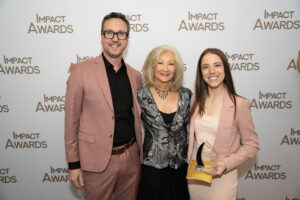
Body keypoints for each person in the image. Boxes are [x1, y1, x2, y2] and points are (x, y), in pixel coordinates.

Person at [64, 12, 143, 200]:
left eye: (121, 34)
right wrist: (73, 165)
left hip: (131, 159)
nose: (115, 39)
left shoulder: (135, 76)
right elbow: (71, 122)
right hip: (97, 162)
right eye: (109, 33)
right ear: (101, 37)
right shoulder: (80, 71)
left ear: (127, 39)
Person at [187, 48, 259, 200]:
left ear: (225, 69)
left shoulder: (239, 104)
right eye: (205, 67)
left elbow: (251, 145)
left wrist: (226, 164)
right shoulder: (195, 100)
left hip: (222, 175)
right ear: (201, 72)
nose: (212, 71)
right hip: (196, 173)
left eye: (217, 65)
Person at [136, 45, 192, 200]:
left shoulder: (187, 95)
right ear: (151, 65)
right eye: (160, 62)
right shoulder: (140, 96)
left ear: (177, 68)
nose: (165, 68)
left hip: (179, 169)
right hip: (151, 170)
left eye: (171, 63)